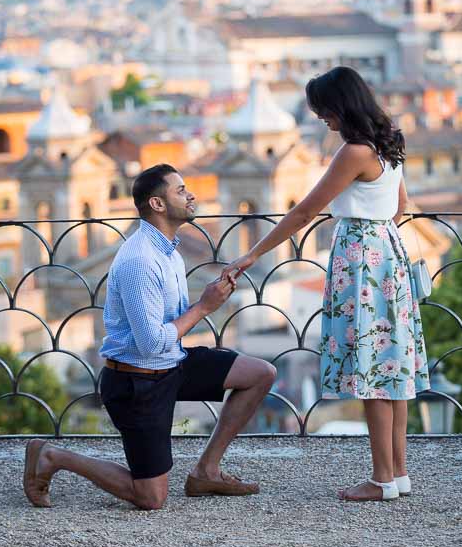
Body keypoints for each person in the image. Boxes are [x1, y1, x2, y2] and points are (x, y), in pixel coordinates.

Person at [224, 66, 430, 502]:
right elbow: (402, 205)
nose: (323, 120)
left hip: (361, 261)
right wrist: (379, 232)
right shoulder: (390, 140)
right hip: (387, 255)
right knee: (392, 368)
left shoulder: (353, 152)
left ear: (341, 106)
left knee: (373, 371)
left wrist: (252, 254)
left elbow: (303, 212)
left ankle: (380, 481)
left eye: (324, 113)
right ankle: (398, 474)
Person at [23, 163, 276, 511]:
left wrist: (210, 296)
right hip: (136, 382)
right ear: (157, 204)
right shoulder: (140, 260)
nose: (191, 195)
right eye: (180, 190)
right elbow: (150, 343)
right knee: (150, 498)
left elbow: (168, 331)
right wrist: (205, 307)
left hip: (171, 363)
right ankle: (52, 456)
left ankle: (207, 470)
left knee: (260, 373)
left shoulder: (168, 250)